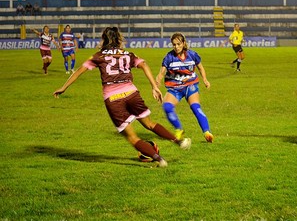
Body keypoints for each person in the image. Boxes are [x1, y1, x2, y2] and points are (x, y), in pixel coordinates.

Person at [53, 27, 191, 168]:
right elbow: (143, 64)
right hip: (131, 93)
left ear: (104, 39)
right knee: (150, 124)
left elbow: (78, 71)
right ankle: (179, 141)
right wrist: (154, 86)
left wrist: (64, 87)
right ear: (119, 38)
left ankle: (160, 159)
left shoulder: (98, 56)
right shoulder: (127, 54)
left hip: (113, 99)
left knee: (132, 137)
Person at [156, 32, 214, 143]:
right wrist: (157, 82)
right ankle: (179, 130)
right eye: (174, 44)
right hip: (174, 88)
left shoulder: (192, 55)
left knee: (195, 107)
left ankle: (207, 132)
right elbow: (161, 72)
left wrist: (205, 80)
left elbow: (200, 68)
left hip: (190, 86)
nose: (176, 47)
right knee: (167, 107)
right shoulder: (169, 57)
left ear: (183, 43)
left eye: (178, 44)